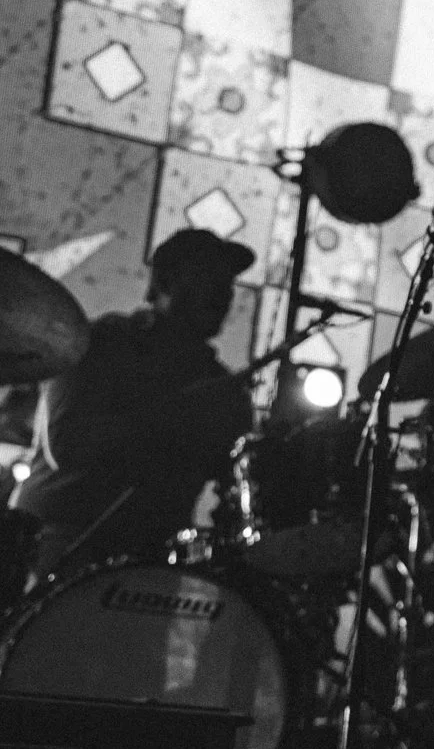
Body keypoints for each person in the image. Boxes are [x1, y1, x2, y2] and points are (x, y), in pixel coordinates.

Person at [10, 227, 256, 583]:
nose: (224, 293)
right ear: (165, 282)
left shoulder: (223, 388)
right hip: (59, 538)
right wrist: (179, 417)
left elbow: (234, 480)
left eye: (228, 283)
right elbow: (69, 444)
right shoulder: (106, 343)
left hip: (152, 555)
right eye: (208, 277)